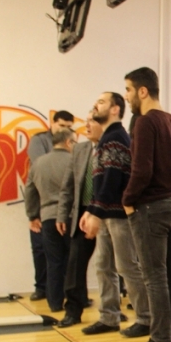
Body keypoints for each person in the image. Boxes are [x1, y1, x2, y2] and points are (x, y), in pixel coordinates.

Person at [122, 67, 171, 342]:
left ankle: (160, 341)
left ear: (142, 91)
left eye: (127, 90)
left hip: (151, 208)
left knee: (155, 276)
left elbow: (142, 169)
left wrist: (128, 199)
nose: (126, 97)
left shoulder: (146, 122)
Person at [79, 92, 151, 338]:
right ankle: (109, 316)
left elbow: (111, 180)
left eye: (100, 102)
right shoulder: (106, 138)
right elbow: (100, 182)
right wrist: (91, 209)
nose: (95, 105)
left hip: (119, 216)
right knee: (103, 266)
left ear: (114, 109)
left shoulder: (117, 138)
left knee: (126, 267)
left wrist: (95, 213)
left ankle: (146, 318)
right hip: (107, 214)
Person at [56, 115, 100, 328]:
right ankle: (73, 310)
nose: (88, 124)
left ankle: (112, 312)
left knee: (111, 266)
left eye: (94, 120)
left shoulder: (116, 146)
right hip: (81, 212)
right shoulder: (81, 150)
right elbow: (67, 187)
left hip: (107, 212)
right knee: (75, 263)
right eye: (88, 120)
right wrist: (62, 214)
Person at [24, 128, 74, 312]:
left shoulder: (38, 163)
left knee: (53, 261)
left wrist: (32, 215)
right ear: (68, 142)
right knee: (73, 261)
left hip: (47, 217)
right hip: (70, 217)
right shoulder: (74, 161)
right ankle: (76, 300)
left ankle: (54, 303)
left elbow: (29, 191)